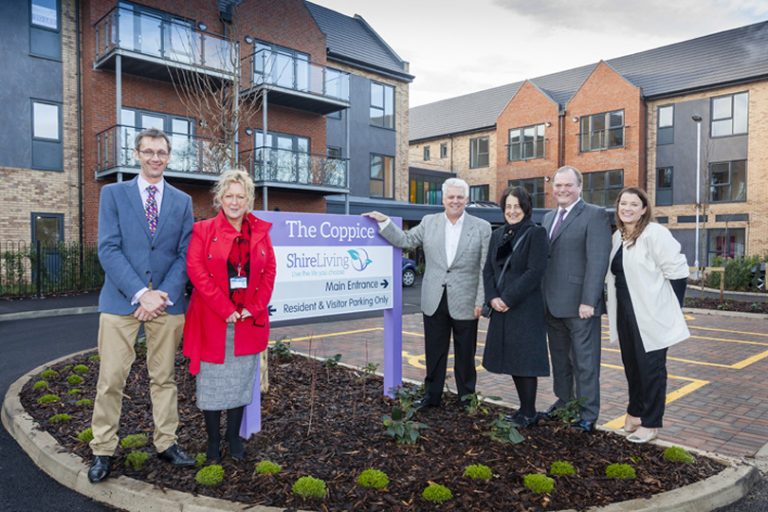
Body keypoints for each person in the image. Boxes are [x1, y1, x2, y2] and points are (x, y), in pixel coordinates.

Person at [89, 128, 195, 483]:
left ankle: (166, 442)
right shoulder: (113, 195)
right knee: (110, 379)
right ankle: (103, 449)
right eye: (148, 151)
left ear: (168, 156)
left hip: (167, 303)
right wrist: (140, 293)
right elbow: (109, 248)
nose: (155, 158)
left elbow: (185, 255)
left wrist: (160, 294)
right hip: (122, 302)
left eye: (161, 152)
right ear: (136, 153)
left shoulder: (182, 201)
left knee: (164, 379)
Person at [364, 178, 492, 409]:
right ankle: (432, 397)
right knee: (434, 351)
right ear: (443, 199)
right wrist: (384, 222)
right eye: (450, 197)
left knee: (465, 354)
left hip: (466, 300)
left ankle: (466, 399)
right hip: (434, 299)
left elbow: (485, 266)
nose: (455, 201)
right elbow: (406, 240)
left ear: (466, 199)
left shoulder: (481, 227)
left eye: (459, 197)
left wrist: (480, 300)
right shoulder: (429, 222)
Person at [183, 169, 276, 462]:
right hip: (213, 320)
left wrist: (255, 307)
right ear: (220, 198)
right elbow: (196, 271)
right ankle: (213, 443)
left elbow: (270, 271)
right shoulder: (203, 230)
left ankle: (233, 438)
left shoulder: (260, 232)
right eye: (229, 195)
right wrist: (225, 309)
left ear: (249, 199)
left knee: (238, 383)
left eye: (241, 196)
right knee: (211, 386)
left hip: (248, 321)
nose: (235, 202)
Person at [606, 187, 689, 443]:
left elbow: (678, 272)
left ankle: (651, 423)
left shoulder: (654, 234)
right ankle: (635, 413)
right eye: (623, 203)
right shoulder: (618, 237)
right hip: (625, 311)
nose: (627, 208)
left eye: (634, 204)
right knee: (632, 365)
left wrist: (668, 310)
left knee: (651, 369)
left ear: (644, 209)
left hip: (650, 313)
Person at [542, 165, 611, 432]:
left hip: (580, 306)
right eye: (558, 186)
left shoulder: (594, 216)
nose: (562, 190)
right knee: (560, 359)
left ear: (579, 187)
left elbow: (597, 260)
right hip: (551, 304)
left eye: (568, 185)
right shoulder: (548, 218)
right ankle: (564, 402)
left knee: (585, 362)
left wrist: (589, 301)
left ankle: (588, 413)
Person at [482, 186, 550, 427]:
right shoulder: (498, 234)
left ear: (526, 208)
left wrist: (508, 299)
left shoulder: (536, 234)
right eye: (508, 207)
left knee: (525, 362)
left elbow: (535, 272)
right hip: (500, 307)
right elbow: (489, 270)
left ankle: (529, 412)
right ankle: (523, 409)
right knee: (512, 359)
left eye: (517, 206)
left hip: (524, 308)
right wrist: (492, 298)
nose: (512, 211)